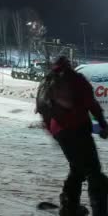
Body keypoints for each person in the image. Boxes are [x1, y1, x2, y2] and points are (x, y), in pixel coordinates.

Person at [36, 57, 108, 215]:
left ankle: (70, 207)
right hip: (79, 129)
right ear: (69, 65)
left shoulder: (47, 82)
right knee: (93, 170)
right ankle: (100, 210)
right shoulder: (76, 79)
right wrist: (102, 123)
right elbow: (92, 104)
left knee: (78, 168)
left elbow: (43, 110)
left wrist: (54, 133)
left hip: (60, 132)